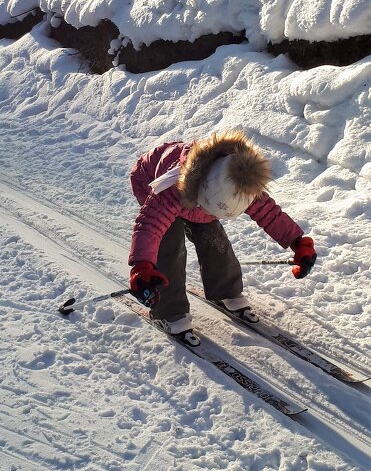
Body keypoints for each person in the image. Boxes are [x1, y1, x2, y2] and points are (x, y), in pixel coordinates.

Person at [128, 131, 317, 341]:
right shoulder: (170, 187)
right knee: (168, 242)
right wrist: (142, 266)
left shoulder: (240, 181)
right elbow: (150, 225)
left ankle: (225, 289)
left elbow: (269, 213)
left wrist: (298, 242)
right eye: (208, 209)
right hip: (149, 182)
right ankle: (168, 310)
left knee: (213, 237)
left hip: (198, 199)